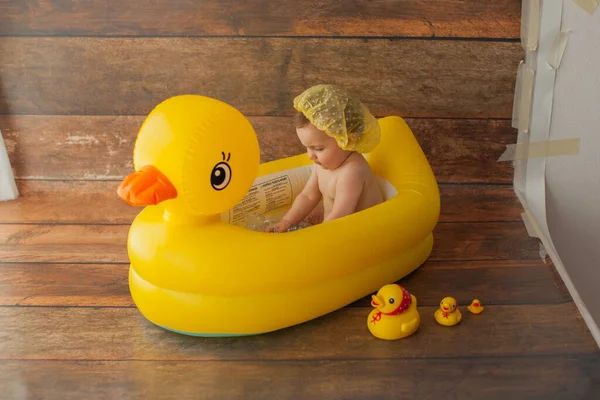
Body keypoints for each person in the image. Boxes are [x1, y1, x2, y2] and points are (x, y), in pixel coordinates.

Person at [265, 84, 384, 233]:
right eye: (307, 148)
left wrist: (313, 236)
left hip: (361, 235)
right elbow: (308, 196)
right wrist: (286, 221)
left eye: (318, 148)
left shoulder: (352, 172)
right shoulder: (322, 164)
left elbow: (341, 215)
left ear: (347, 140)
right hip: (333, 227)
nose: (310, 155)